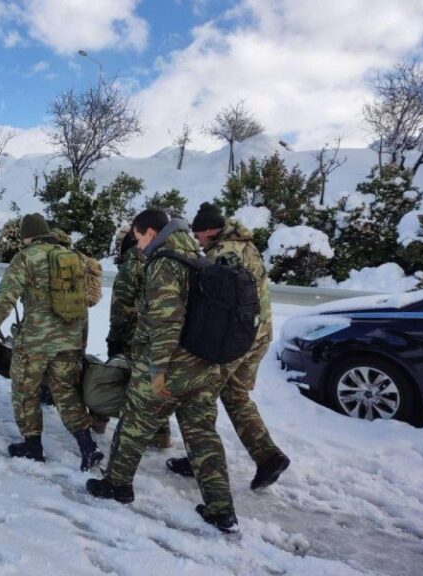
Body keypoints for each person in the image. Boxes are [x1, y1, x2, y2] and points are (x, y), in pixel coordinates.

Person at [86, 208, 238, 534]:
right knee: (202, 437)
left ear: (151, 233)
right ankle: (221, 509)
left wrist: (158, 369)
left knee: (133, 424)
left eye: (139, 238)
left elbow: (167, 320)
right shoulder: (195, 255)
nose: (138, 245)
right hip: (203, 365)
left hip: (170, 366)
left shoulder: (166, 263)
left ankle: (117, 485)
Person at [166, 202, 290, 490]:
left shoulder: (222, 253)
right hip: (259, 335)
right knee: (235, 395)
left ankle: (201, 457)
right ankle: (268, 456)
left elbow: (215, 305)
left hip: (235, 340)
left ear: (210, 230)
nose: (197, 241)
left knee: (200, 398)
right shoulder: (247, 246)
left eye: (199, 236)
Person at [0, 213, 103, 471]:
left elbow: (4, 300)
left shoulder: (26, 258)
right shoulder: (75, 257)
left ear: (27, 236)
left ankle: (32, 446)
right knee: (66, 393)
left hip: (34, 342)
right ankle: (88, 446)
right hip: (69, 341)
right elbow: (85, 303)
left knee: (25, 392)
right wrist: (80, 342)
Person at [104, 226, 172, 449]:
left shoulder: (130, 266)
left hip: (132, 336)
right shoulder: (160, 262)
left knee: (119, 378)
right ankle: (161, 434)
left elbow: (121, 309)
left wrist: (114, 338)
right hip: (157, 336)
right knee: (153, 386)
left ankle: (105, 424)